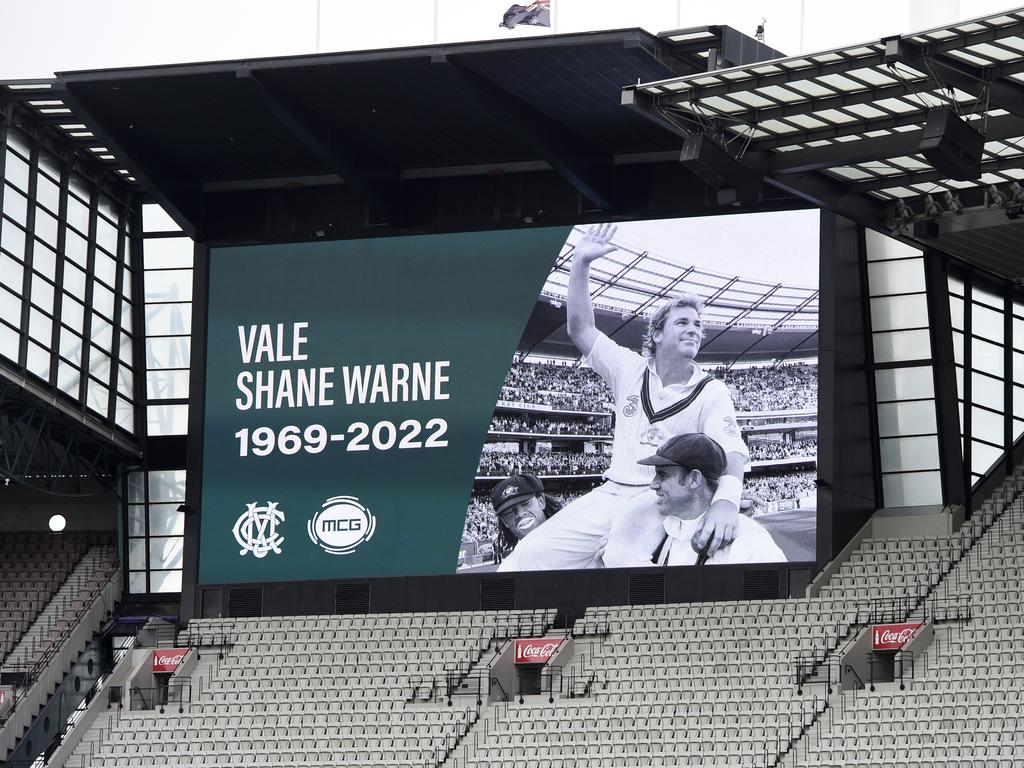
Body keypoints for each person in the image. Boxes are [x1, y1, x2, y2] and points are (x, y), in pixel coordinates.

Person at [499, 223, 748, 571]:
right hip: (612, 490)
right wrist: (580, 263)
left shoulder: (711, 389)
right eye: (683, 323)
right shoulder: (628, 368)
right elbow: (581, 328)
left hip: (661, 496)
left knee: (620, 559)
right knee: (524, 559)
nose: (694, 328)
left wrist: (726, 503)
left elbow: (733, 452)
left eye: (698, 324)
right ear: (657, 334)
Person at [628, 433, 786, 565]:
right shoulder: (666, 534)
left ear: (694, 479)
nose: (653, 485)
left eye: (662, 475)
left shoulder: (749, 543)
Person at [489, 474, 563, 564]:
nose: (519, 514)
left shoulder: (578, 542)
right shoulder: (509, 568)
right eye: (509, 512)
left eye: (525, 503)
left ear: (541, 501)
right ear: (505, 521)